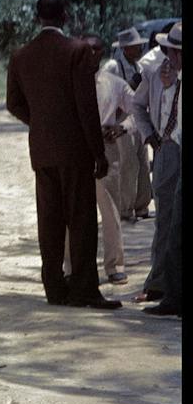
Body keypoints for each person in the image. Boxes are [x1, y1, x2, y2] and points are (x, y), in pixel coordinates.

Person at [5, 0, 118, 309]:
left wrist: (40, 123)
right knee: (81, 221)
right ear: (64, 16)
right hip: (75, 150)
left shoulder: (20, 55)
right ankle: (84, 289)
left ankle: (55, 289)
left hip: (42, 150)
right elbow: (86, 106)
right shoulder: (77, 51)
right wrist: (99, 152)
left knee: (50, 220)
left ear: (38, 17)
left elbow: (13, 103)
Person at [128, 21, 181, 316]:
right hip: (167, 147)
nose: (169, 55)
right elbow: (137, 105)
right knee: (166, 219)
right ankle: (160, 282)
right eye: (168, 49)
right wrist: (149, 135)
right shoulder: (154, 69)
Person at [67, 37, 129, 283]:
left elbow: (138, 108)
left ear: (103, 53)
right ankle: (71, 267)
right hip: (76, 148)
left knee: (110, 209)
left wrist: (124, 127)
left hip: (105, 145)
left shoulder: (114, 84)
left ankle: (114, 265)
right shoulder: (68, 82)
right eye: (87, 50)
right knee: (73, 210)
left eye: (96, 51)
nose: (92, 55)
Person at [110, 26, 155, 218]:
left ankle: (142, 205)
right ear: (125, 48)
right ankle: (125, 208)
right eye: (135, 47)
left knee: (142, 162)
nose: (139, 50)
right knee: (128, 163)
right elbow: (109, 91)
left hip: (138, 118)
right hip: (121, 119)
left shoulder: (138, 66)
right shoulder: (113, 66)